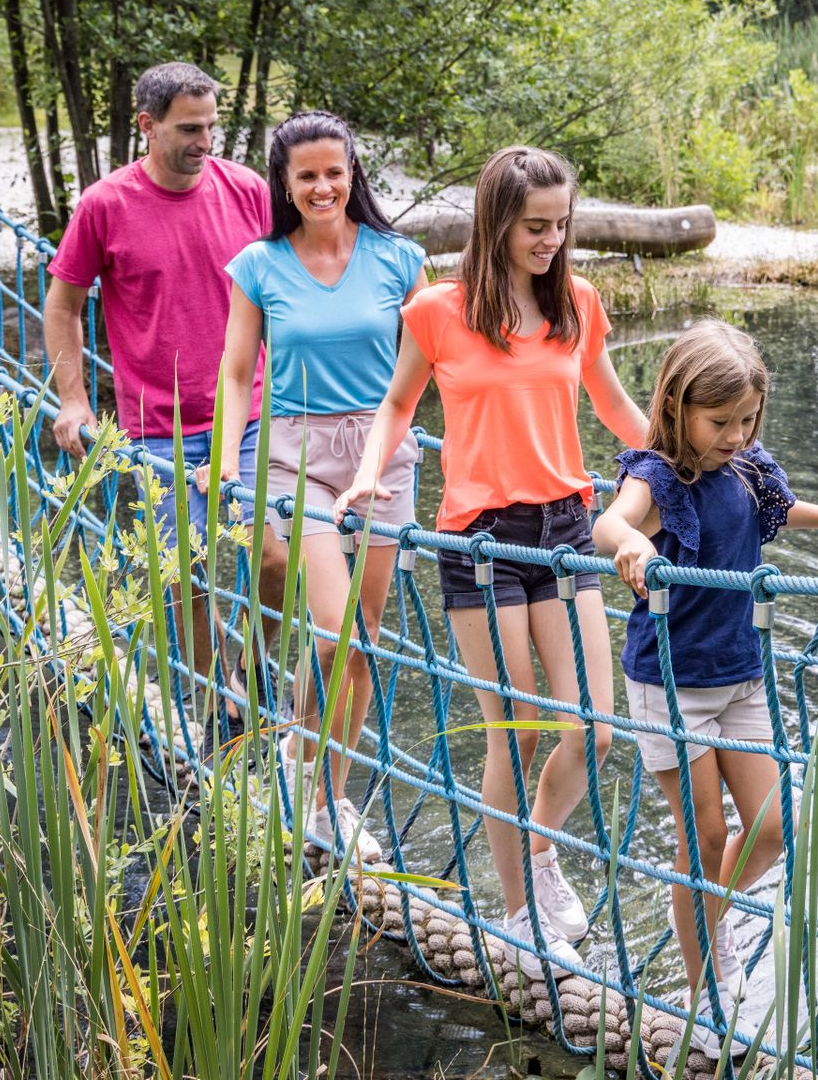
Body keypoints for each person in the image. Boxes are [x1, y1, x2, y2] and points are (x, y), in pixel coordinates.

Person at [336, 145, 648, 973]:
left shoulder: (576, 302)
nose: (551, 239)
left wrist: (686, 462)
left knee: (594, 729)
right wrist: (368, 477)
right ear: (497, 221)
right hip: (480, 543)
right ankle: (517, 910)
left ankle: (540, 856)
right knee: (510, 733)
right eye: (535, 226)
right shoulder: (439, 311)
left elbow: (613, 404)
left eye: (562, 225)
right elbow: (398, 402)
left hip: (568, 527)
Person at [590, 319, 818, 1058]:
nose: (735, 434)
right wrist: (629, 542)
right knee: (706, 837)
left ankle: (700, 913)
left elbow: (780, 513)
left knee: (773, 828)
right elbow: (610, 522)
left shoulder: (752, 469)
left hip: (739, 676)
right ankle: (703, 993)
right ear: (678, 406)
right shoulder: (656, 477)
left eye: (747, 419)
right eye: (719, 421)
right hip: (671, 681)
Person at [196, 111, 424, 863]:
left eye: (336, 171)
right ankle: (310, 779)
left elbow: (432, 368)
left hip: (383, 458)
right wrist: (228, 459)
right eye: (307, 176)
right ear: (285, 184)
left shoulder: (399, 258)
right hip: (296, 454)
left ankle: (322, 786)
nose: (324, 186)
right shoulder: (259, 264)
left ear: (354, 172)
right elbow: (234, 373)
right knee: (335, 633)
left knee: (360, 649)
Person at [43, 62, 280, 752]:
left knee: (275, 561)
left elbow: (294, 282)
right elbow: (63, 303)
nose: (205, 139)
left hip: (252, 415)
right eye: (188, 128)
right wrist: (73, 400)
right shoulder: (105, 205)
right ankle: (209, 721)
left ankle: (245, 672)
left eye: (211, 125)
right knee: (187, 581)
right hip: (157, 431)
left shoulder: (249, 192)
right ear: (146, 125)